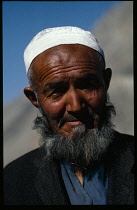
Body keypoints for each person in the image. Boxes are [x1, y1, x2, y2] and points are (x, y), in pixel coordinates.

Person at [4, 26, 134, 205]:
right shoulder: (13, 180)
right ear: (35, 98)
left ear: (106, 82)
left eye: (87, 85)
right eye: (57, 91)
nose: (76, 106)